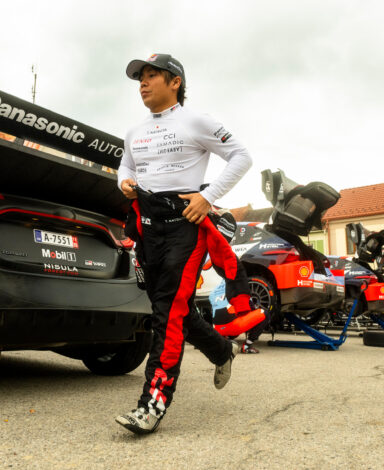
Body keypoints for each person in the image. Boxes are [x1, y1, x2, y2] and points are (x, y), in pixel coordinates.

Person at [115, 53, 256, 434]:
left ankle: (152, 404)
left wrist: (207, 197)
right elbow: (126, 166)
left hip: (185, 227)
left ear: (174, 81)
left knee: (168, 315)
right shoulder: (134, 131)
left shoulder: (196, 120)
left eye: (151, 75)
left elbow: (241, 156)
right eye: (140, 77)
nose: (142, 83)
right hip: (147, 228)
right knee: (169, 308)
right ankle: (221, 350)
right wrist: (123, 181)